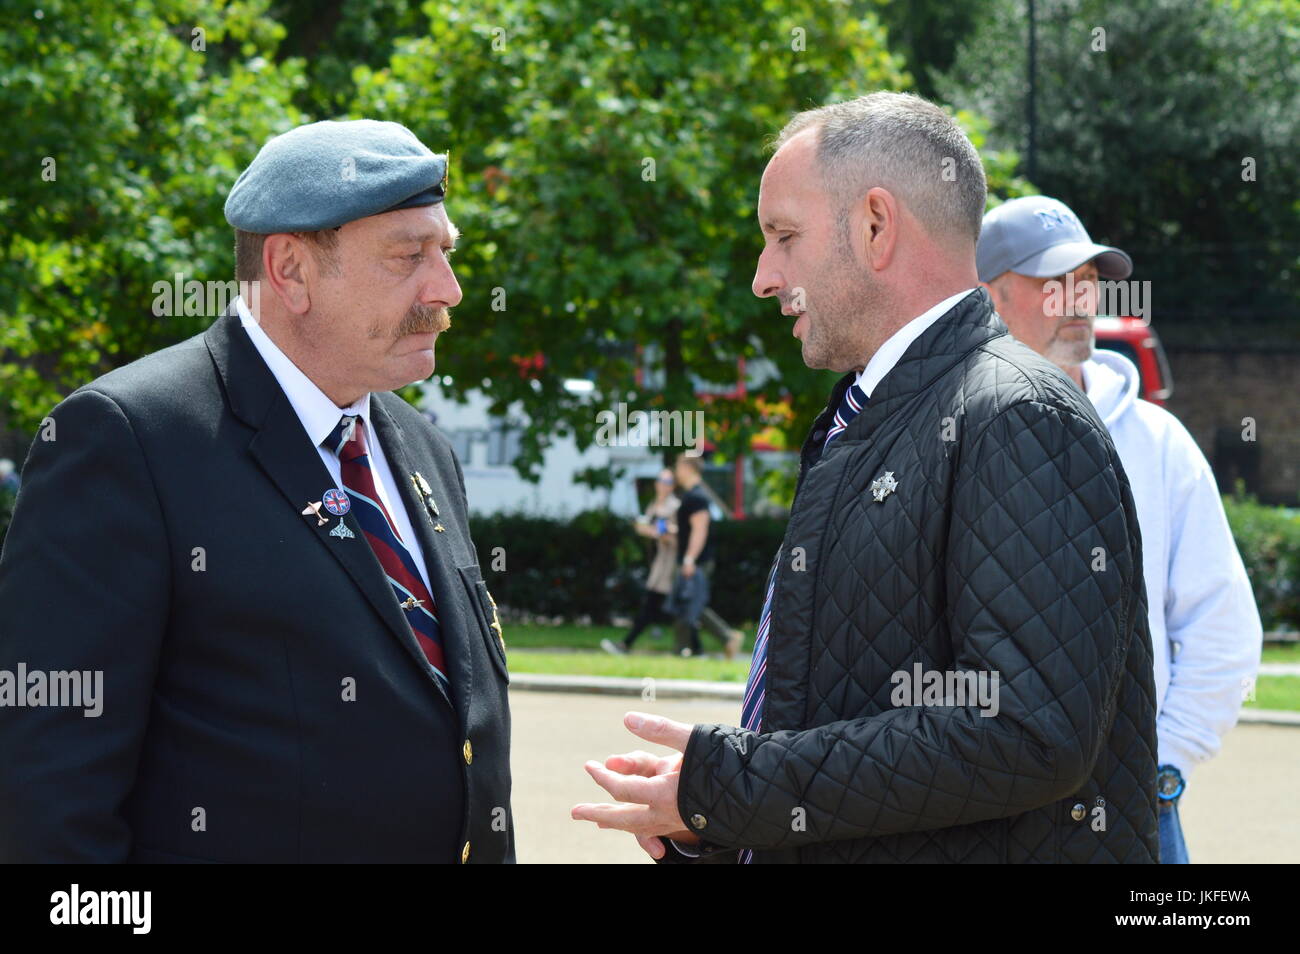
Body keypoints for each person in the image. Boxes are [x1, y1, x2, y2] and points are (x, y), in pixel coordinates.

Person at [572, 91, 1158, 863]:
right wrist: (719, 829)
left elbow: (1025, 729)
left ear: (875, 226)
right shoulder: (874, 414)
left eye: (783, 236)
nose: (762, 275)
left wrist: (733, 789)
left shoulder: (1017, 416)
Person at [0, 120, 513, 863]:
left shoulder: (422, 446)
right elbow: (47, 799)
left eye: (447, 252)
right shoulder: (129, 440)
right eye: (409, 257)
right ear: (290, 270)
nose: (449, 290)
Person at [977, 194, 1262, 864]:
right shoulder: (950, 436)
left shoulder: (1158, 442)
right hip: (988, 817)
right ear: (988, 298)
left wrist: (1163, 765)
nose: (1078, 300)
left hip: (1135, 808)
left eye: (1087, 282)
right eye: (1054, 283)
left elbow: (1223, 625)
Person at [666, 453, 742, 660]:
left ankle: (726, 637)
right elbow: (690, 530)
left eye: (679, 467)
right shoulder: (692, 495)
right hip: (691, 559)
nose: (676, 472)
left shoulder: (697, 497)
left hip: (696, 561)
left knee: (692, 605)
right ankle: (688, 649)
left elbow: (700, 530)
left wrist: (690, 559)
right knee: (687, 605)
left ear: (689, 468)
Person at [602, 468, 680, 654]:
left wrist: (660, 533)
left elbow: (676, 536)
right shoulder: (654, 505)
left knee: (657, 605)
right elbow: (650, 529)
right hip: (659, 560)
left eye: (667, 482)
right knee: (666, 606)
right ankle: (696, 646)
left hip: (669, 562)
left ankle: (626, 644)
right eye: (660, 481)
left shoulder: (675, 506)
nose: (663, 485)